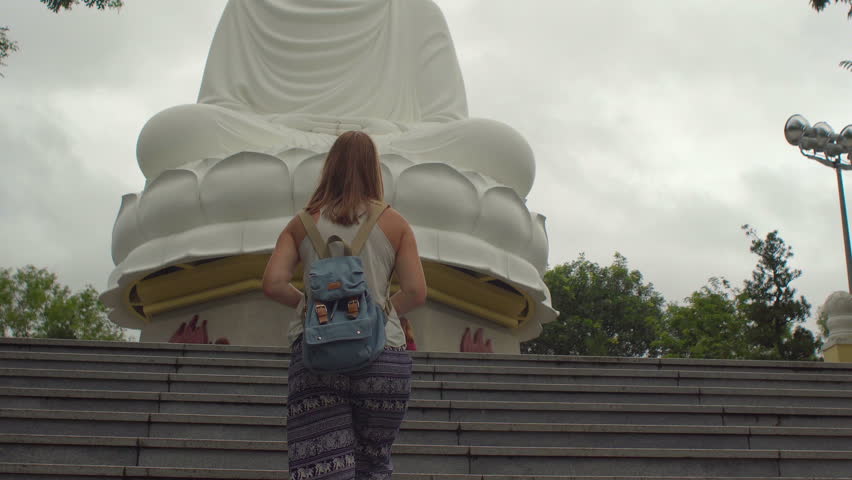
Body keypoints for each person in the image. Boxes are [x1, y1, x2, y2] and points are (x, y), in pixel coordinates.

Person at [262, 130, 427, 480]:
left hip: (317, 353)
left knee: (322, 467)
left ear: (329, 167)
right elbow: (416, 292)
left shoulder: (301, 223)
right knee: (374, 464)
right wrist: (377, 312)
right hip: (383, 353)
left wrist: (309, 305)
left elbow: (273, 284)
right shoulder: (396, 223)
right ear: (375, 169)